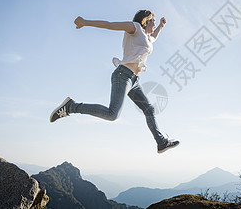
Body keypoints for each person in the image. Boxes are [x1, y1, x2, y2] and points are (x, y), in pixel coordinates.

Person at [49, 10, 179, 153]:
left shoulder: (146, 37)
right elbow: (110, 25)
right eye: (153, 21)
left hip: (134, 81)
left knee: (149, 109)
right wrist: (85, 22)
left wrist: (161, 26)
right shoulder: (134, 27)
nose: (154, 26)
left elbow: (153, 37)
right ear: (146, 20)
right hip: (123, 76)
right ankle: (71, 107)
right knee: (112, 114)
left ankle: (161, 142)